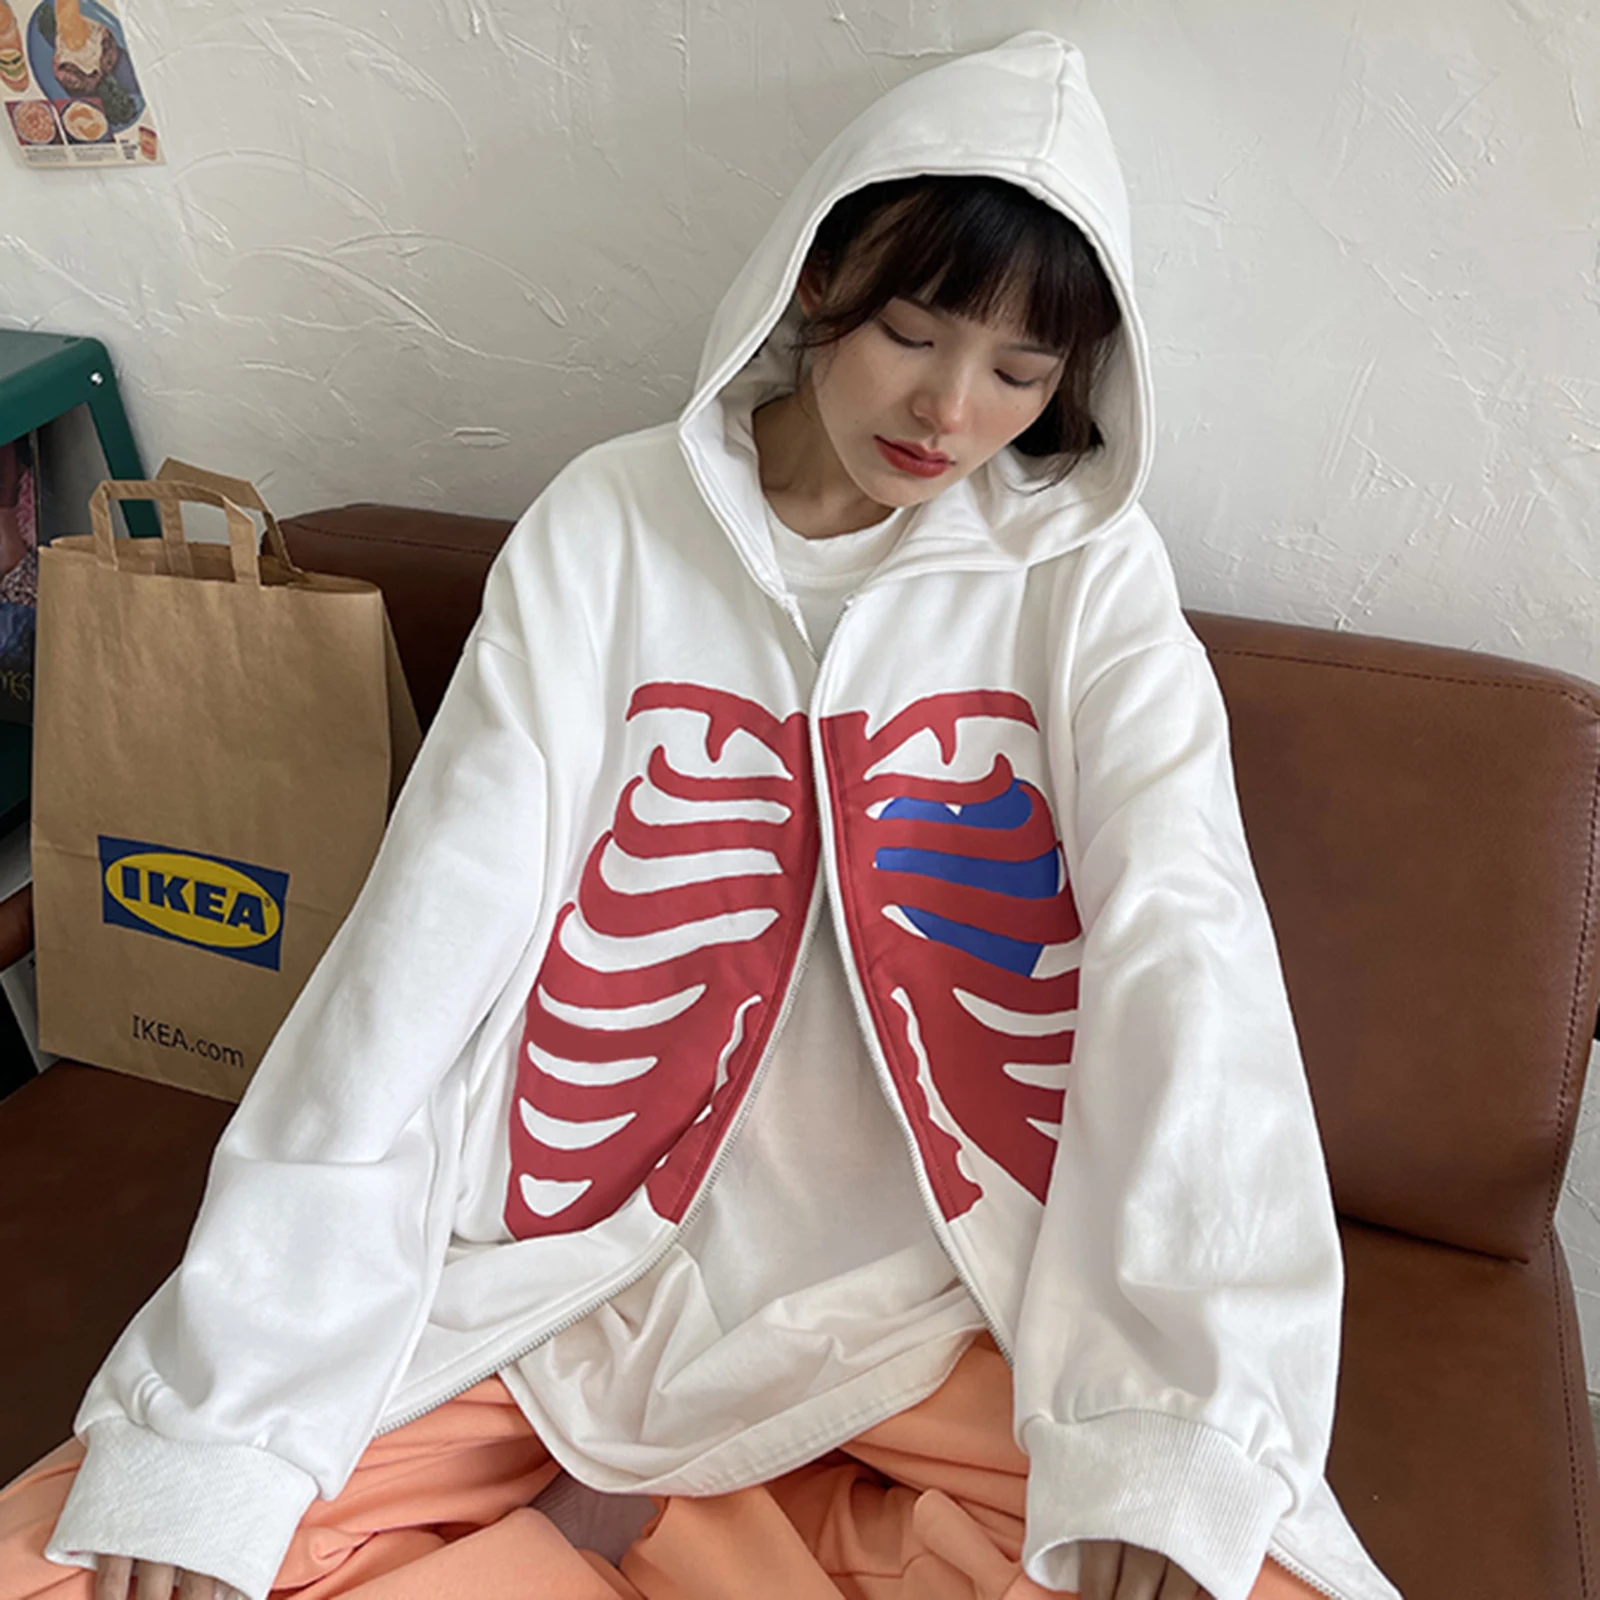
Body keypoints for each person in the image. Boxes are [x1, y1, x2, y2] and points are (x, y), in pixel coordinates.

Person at [0, 31, 1404, 1600]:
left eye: (1020, 373)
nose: (950, 411)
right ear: (818, 278)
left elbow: (1186, 938)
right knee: (109, 1550)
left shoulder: (1086, 576)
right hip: (563, 1272)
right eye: (912, 332)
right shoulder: (608, 527)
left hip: (948, 1290)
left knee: (1217, 1557)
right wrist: (225, 1412)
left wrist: (1185, 1415)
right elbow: (429, 931)